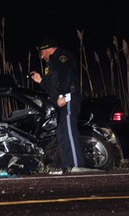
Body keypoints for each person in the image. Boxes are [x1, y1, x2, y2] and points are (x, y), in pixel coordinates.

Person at [31, 37, 86, 173]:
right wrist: (41, 81)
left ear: (47, 48)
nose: (41, 56)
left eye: (41, 52)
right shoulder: (51, 64)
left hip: (67, 98)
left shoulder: (62, 57)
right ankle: (68, 166)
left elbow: (65, 77)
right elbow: (52, 86)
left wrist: (62, 96)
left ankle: (78, 165)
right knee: (62, 134)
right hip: (61, 101)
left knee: (69, 132)